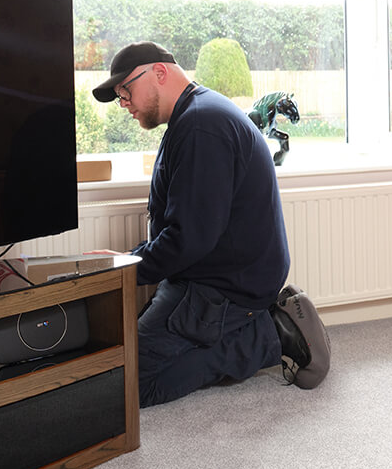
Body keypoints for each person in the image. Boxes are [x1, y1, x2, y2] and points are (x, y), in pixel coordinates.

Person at [92, 41, 293, 407]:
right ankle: (243, 330)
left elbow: (190, 238)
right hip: (208, 275)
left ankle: (265, 338)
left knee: (122, 386)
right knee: (118, 356)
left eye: (126, 90)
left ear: (159, 73)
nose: (123, 103)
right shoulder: (196, 115)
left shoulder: (201, 126)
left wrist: (127, 268)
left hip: (223, 288)